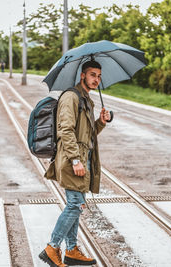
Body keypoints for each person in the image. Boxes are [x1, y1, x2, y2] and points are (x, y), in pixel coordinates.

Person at [39, 60, 110, 267]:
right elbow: (65, 131)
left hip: (81, 159)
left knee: (76, 205)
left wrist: (100, 123)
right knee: (74, 205)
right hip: (73, 160)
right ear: (82, 75)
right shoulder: (71, 97)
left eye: (98, 76)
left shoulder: (86, 99)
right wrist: (76, 160)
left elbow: (88, 136)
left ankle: (71, 250)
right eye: (92, 75)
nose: (96, 79)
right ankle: (52, 248)